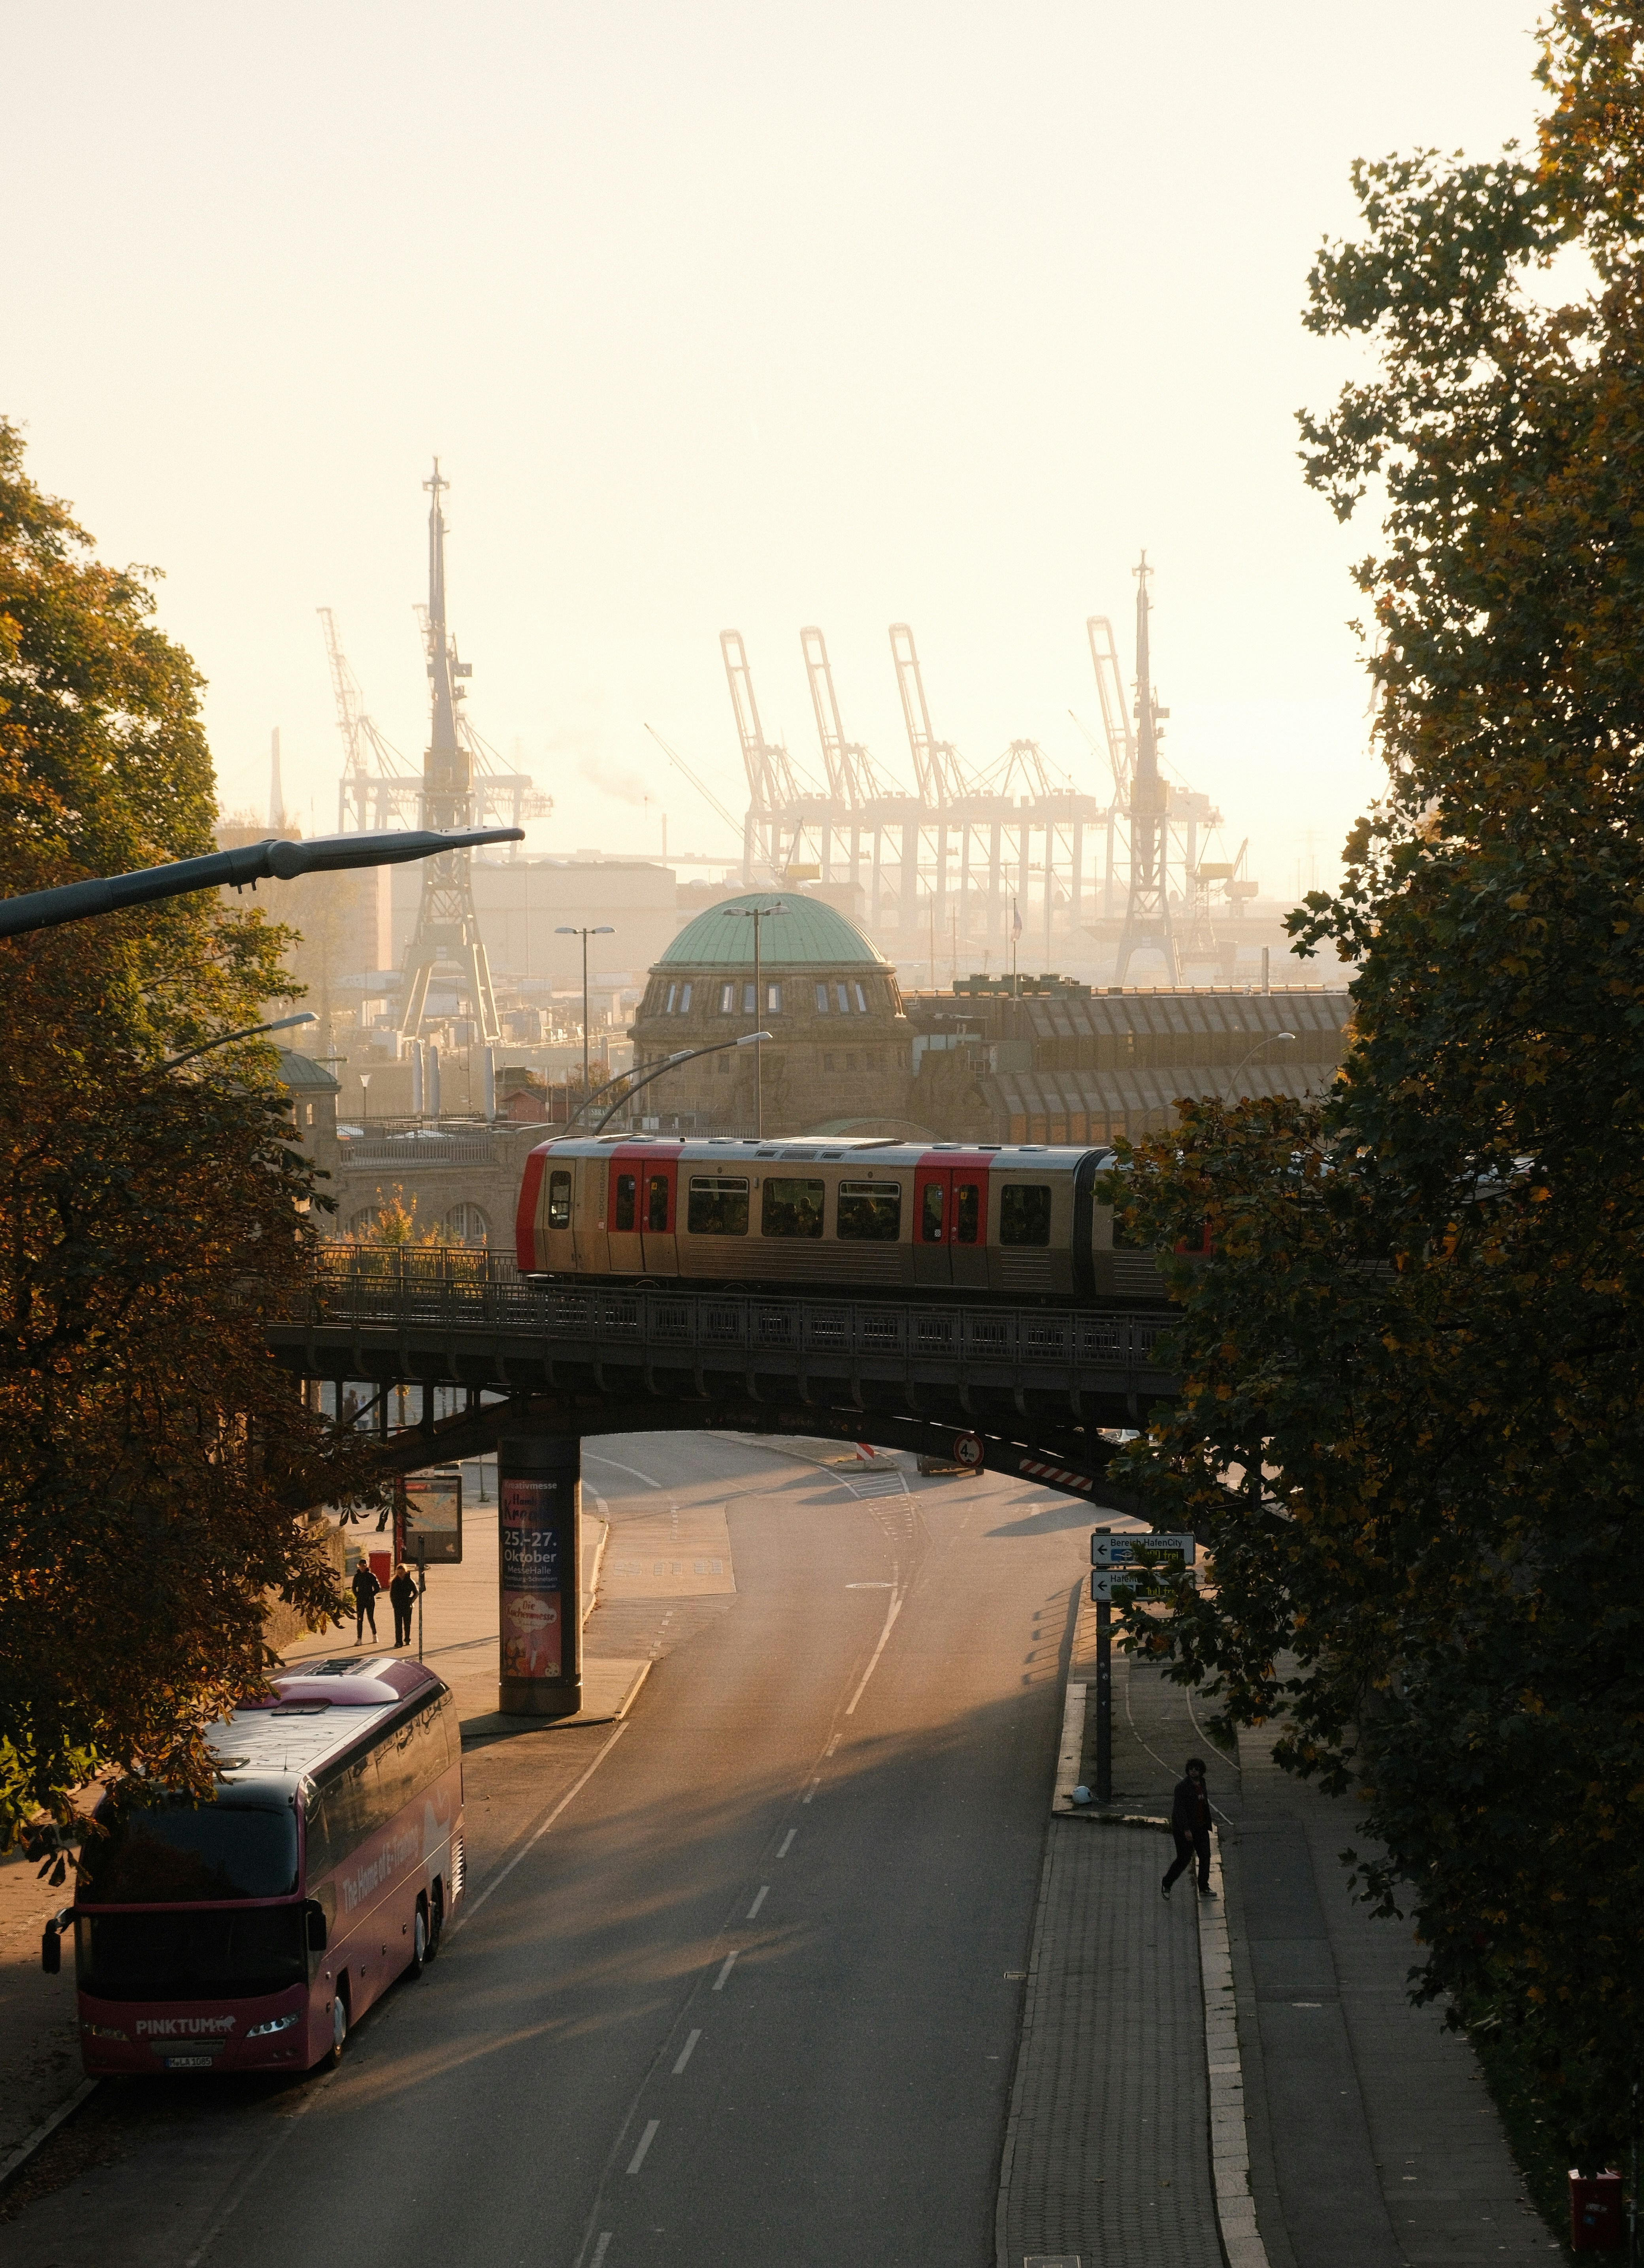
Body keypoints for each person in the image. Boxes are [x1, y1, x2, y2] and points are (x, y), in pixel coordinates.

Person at [1162, 1756, 1215, 1898]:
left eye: (1196, 1770)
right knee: (1184, 1859)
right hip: (1185, 1830)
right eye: (1191, 1769)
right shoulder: (1182, 1788)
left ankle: (1204, 1887)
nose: (1193, 1772)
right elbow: (1179, 1810)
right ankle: (1167, 1883)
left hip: (1201, 1827)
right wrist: (1186, 1830)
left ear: (1201, 1771)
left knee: (1205, 1856)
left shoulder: (1202, 1783)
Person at [388, 1562, 423, 1650]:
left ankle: (407, 1639)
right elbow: (392, 1595)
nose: (400, 1574)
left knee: (407, 1624)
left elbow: (416, 1592)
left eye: (402, 1572)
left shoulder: (409, 1581)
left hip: (407, 1604)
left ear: (405, 1572)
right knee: (398, 1624)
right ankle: (398, 1641)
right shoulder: (395, 1582)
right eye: (399, 1573)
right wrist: (394, 1604)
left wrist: (411, 1601)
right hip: (398, 1605)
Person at [350, 1559, 381, 1645]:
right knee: (360, 1619)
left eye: (364, 1566)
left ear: (367, 1566)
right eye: (361, 1566)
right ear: (359, 1566)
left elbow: (378, 1588)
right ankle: (359, 1639)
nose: (362, 1568)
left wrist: (372, 1595)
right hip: (360, 1600)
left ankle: (375, 1635)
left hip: (370, 1600)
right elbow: (354, 1587)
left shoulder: (371, 1576)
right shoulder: (357, 1576)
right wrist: (357, 1595)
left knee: (370, 1618)